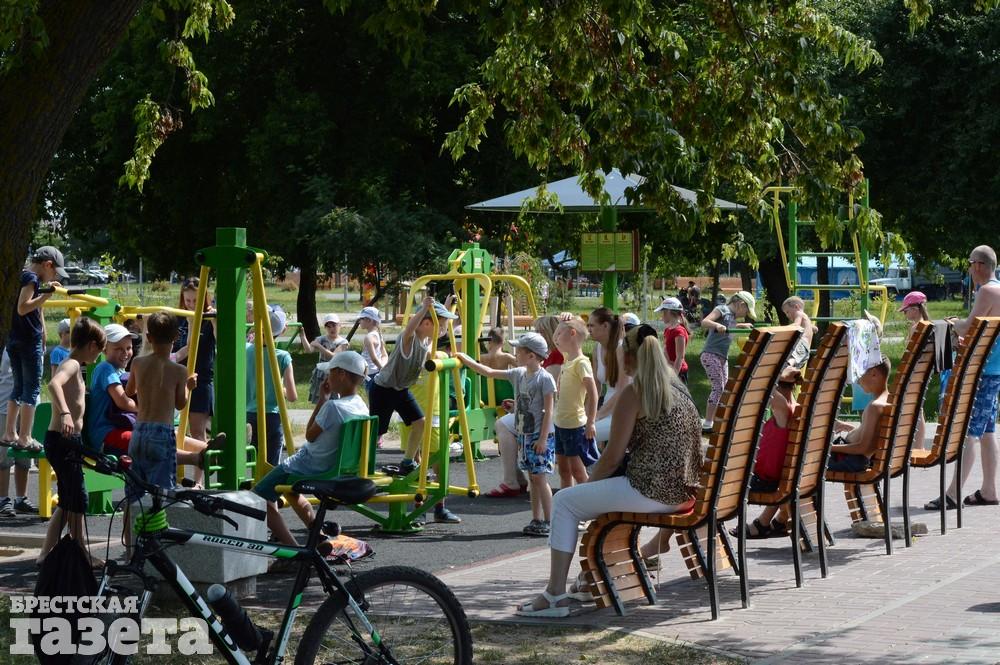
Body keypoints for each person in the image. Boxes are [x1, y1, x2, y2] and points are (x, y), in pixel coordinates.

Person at [515, 324, 703, 617]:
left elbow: (612, 458)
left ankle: (554, 596)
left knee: (565, 502)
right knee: (591, 497)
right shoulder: (678, 388)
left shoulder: (635, 392)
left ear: (629, 357)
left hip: (650, 491)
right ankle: (588, 580)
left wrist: (587, 485)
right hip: (683, 493)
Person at [253, 352, 370, 549]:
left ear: (341, 374)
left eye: (330, 372)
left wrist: (322, 400)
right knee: (290, 491)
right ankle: (319, 536)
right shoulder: (361, 406)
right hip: (337, 466)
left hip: (309, 465)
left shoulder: (333, 407)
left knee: (258, 498)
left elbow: (309, 435)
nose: (327, 377)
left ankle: (292, 548)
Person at [370, 296, 462, 523]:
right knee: (377, 432)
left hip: (400, 390)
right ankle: (362, 468)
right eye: (440, 324)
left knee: (420, 423)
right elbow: (411, 328)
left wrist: (447, 307)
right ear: (426, 324)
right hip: (383, 389)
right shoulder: (409, 339)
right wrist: (424, 309)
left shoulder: (427, 341)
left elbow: (441, 329)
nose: (443, 329)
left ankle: (407, 461)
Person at [458, 332, 557, 536]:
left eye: (519, 351)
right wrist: (466, 359)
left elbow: (549, 411)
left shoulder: (545, 379)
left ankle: (551, 520)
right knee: (532, 479)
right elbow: (489, 372)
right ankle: (536, 518)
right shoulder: (519, 373)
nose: (515, 354)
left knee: (540, 479)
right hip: (525, 434)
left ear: (531, 356)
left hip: (539, 436)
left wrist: (542, 439)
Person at [926, 246, 1000, 509]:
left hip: (982, 372)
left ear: (978, 265)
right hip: (994, 370)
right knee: (988, 430)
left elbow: (968, 327)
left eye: (970, 264)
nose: (969, 269)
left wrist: (950, 322)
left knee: (971, 432)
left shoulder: (987, 291)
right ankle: (989, 490)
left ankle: (953, 494)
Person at [37, 318, 106, 566]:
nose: (99, 355)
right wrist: (65, 412)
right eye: (99, 350)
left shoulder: (75, 364)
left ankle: (46, 554)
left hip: (66, 441)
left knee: (68, 501)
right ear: (91, 345)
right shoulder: (73, 364)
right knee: (78, 498)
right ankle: (80, 552)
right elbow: (53, 383)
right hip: (62, 441)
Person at [125, 312, 216, 498]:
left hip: (139, 431)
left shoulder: (138, 363)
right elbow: (180, 404)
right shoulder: (179, 370)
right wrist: (188, 387)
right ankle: (201, 454)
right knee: (163, 492)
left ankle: (130, 519)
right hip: (162, 432)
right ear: (176, 337)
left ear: (149, 337)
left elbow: (129, 391)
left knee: (135, 490)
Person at [3, 246, 67, 451]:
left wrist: (44, 291)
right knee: (31, 389)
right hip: (28, 341)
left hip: (14, 338)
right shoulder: (31, 278)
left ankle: (9, 433)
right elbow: (23, 308)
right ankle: (25, 437)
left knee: (18, 387)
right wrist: (46, 296)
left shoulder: (20, 275)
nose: (54, 276)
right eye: (55, 272)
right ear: (47, 265)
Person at [732, 366, 802, 538]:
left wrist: (779, 373)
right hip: (778, 478)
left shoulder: (783, 410)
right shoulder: (795, 407)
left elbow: (761, 385)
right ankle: (764, 524)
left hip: (762, 480)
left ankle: (760, 525)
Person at [173, 277, 217, 465]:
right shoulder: (179, 318)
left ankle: (200, 477)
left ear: (204, 298)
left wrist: (214, 323)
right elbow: (178, 350)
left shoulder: (208, 318)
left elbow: (220, 342)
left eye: (195, 301)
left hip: (201, 380)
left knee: (198, 432)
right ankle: (179, 472)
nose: (191, 305)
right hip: (179, 379)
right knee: (177, 432)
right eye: (188, 300)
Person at [247, 305, 298, 466]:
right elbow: (292, 396)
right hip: (272, 416)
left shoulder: (245, 350)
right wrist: (281, 389)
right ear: (282, 331)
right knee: (271, 465)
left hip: (249, 414)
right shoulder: (283, 357)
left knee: (252, 462)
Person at [552, 316, 599, 488]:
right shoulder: (567, 358)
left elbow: (593, 394)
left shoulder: (581, 363)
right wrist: (561, 322)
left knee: (578, 472)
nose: (556, 338)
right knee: (564, 471)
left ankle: (588, 502)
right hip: (560, 423)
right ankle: (568, 501)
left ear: (572, 333)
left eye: (560, 333)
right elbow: (554, 340)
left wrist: (591, 422)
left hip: (574, 425)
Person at [699, 291, 756, 432]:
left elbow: (728, 326)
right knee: (718, 388)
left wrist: (740, 325)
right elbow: (705, 322)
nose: (746, 314)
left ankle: (720, 420)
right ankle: (708, 423)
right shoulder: (722, 309)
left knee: (724, 389)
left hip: (722, 357)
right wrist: (716, 326)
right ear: (740, 304)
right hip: (710, 354)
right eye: (747, 311)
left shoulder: (733, 316)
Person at [828, 356, 891, 472]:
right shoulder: (886, 400)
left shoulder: (875, 406)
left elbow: (863, 448)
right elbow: (872, 438)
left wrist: (828, 448)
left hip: (850, 460)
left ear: (873, 374)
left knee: (804, 459)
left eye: (859, 373)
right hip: (853, 458)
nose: (857, 380)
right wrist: (852, 429)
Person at [87, 324, 140, 455]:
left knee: (163, 436)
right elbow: (123, 402)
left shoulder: (120, 371)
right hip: (104, 434)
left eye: (128, 348)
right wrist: (146, 410)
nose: (125, 353)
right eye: (118, 349)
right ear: (104, 350)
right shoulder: (105, 368)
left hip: (119, 428)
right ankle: (190, 458)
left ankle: (192, 455)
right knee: (150, 441)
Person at [587, 308, 630, 445]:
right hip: (607, 406)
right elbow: (595, 387)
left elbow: (623, 390)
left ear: (605, 326)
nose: (589, 329)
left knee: (583, 436)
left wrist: (598, 415)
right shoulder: (597, 348)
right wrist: (587, 413)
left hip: (626, 408)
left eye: (592, 325)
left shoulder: (621, 349)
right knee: (575, 431)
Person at [0, 350, 34, 516]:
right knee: (4, 456)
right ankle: (2, 499)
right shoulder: (13, 345)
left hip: (28, 407)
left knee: (25, 456)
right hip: (5, 406)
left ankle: (21, 498)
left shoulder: (36, 345)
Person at [900, 291, 930, 450]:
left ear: (915, 309)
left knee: (916, 411)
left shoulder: (916, 328)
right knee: (918, 410)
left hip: (914, 374)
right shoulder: (928, 325)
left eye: (905, 310)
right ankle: (918, 446)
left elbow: (910, 355)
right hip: (922, 373)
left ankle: (918, 448)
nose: (904, 313)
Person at [306, 313, 350, 404]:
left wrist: (319, 346)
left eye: (334, 326)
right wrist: (302, 336)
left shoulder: (343, 342)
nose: (331, 329)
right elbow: (309, 350)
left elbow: (333, 356)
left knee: (334, 399)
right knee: (320, 399)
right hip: (321, 373)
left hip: (335, 372)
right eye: (328, 327)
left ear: (339, 325)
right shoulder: (320, 339)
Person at [655, 297, 690, 383]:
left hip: (678, 372)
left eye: (663, 312)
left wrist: (673, 377)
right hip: (668, 370)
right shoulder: (668, 330)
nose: (661, 316)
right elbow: (666, 349)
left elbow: (680, 357)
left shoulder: (679, 331)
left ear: (668, 312)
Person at [781, 297, 818, 369]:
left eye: (787, 312)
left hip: (801, 343)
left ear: (796, 307)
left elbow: (796, 325)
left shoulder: (799, 313)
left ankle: (788, 366)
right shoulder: (806, 318)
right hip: (806, 350)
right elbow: (816, 329)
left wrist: (783, 328)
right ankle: (790, 368)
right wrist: (811, 328)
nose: (787, 315)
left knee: (792, 358)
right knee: (796, 359)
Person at [358, 306, 388, 393]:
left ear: (369, 320)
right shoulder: (378, 335)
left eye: (361, 319)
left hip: (370, 374)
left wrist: (382, 369)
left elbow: (374, 358)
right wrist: (382, 368)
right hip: (377, 372)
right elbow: (384, 355)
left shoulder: (369, 337)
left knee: (372, 396)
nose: (359, 321)